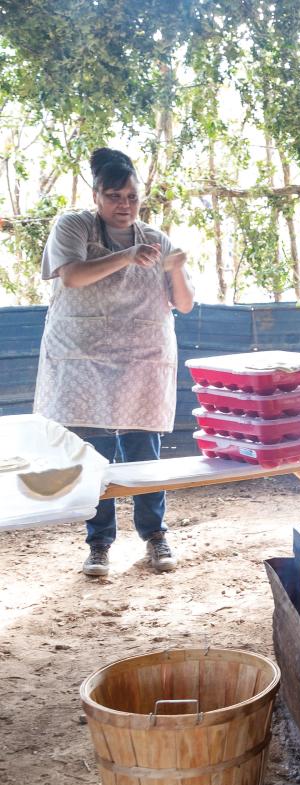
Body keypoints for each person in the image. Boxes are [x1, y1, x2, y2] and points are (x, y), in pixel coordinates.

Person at [34, 147, 195, 578]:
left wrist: (176, 269)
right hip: (84, 355)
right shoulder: (73, 225)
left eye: (131, 197)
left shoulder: (156, 238)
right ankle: (100, 543)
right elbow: (71, 275)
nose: (123, 206)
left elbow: (183, 303)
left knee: (144, 450)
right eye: (113, 196)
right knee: (95, 453)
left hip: (141, 357)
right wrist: (126, 256)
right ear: (96, 196)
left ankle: (155, 536)